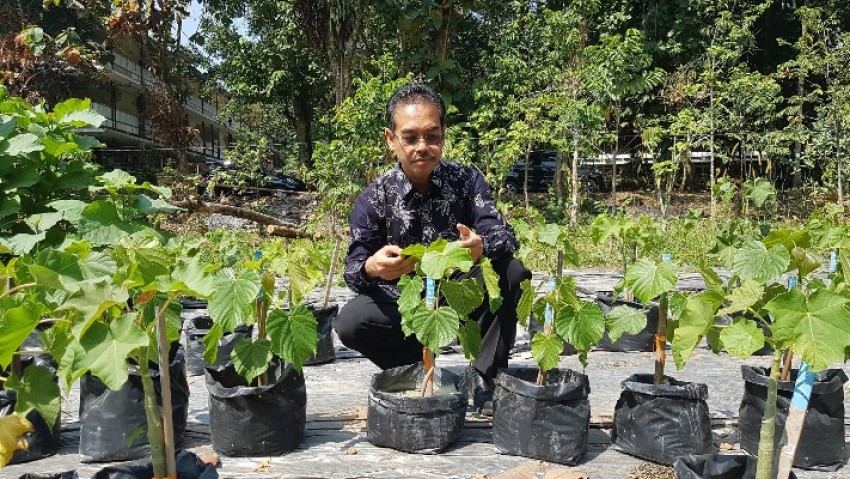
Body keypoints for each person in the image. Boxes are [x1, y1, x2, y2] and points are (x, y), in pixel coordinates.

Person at [333, 83, 530, 407]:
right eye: (410, 137)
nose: (422, 146)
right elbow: (353, 269)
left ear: (443, 136)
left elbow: (504, 235)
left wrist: (482, 245)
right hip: (405, 300)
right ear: (391, 139)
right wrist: (372, 267)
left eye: (432, 136)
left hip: (459, 291)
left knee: (512, 273)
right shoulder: (374, 198)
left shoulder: (467, 182)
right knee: (351, 322)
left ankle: (485, 379)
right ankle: (417, 370)